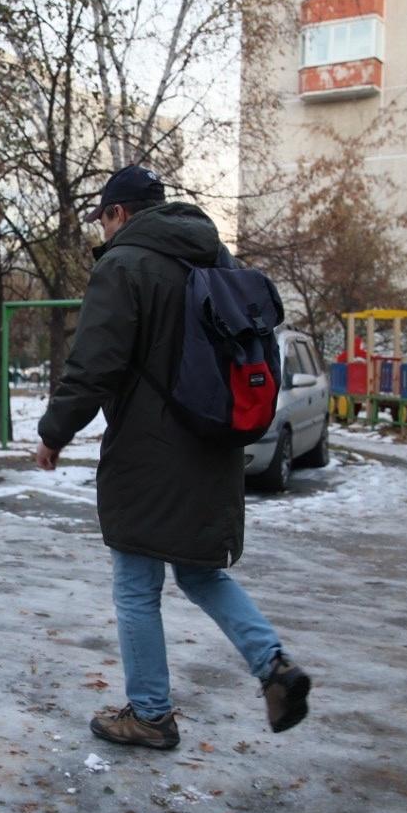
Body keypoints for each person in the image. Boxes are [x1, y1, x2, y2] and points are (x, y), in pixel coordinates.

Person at [35, 166, 311, 750]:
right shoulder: (217, 257)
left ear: (120, 214)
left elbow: (95, 364)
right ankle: (273, 665)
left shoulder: (124, 264)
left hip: (149, 449)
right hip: (213, 440)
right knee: (199, 568)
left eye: (104, 219)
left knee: (136, 582)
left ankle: (151, 714)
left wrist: (54, 431)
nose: (103, 233)